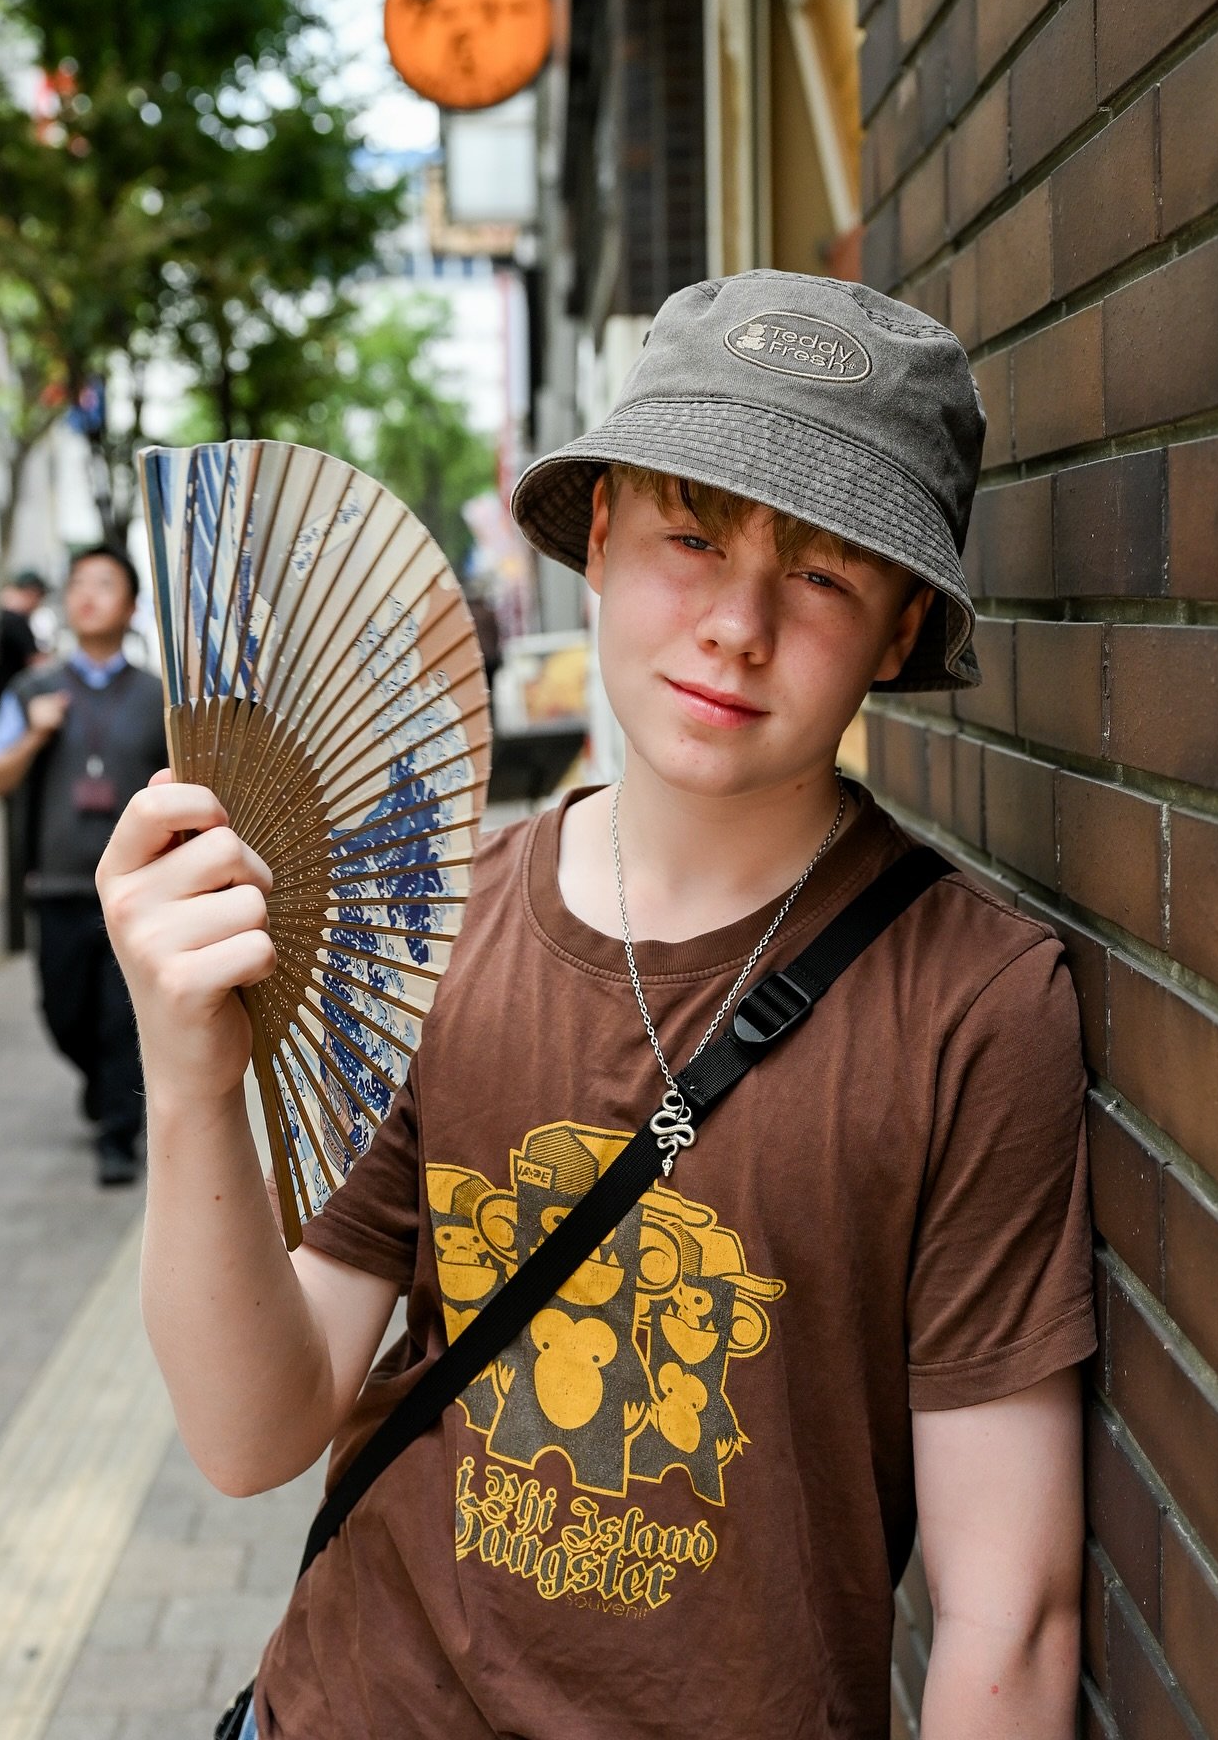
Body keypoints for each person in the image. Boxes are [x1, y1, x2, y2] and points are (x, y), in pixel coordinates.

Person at [98, 272, 1094, 1738]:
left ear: (897, 633)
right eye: (693, 538)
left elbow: (1008, 1617)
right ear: (605, 540)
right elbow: (255, 1431)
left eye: (822, 573)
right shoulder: (442, 924)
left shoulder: (975, 1007)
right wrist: (187, 1086)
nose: (738, 625)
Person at [0, 546, 167, 1187]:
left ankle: (118, 1133)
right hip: (59, 885)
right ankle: (103, 1085)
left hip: (139, 888)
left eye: (104, 583)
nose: (87, 594)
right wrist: (34, 734)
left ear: (132, 605)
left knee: (123, 1015)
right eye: (78, 583)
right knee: (62, 1014)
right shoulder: (32, 689)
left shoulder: (158, 694)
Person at [0, 569, 48, 702]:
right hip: (15, 694)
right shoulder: (16, 621)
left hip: (4, 691)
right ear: (31, 593)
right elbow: (36, 662)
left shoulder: (4, 616)